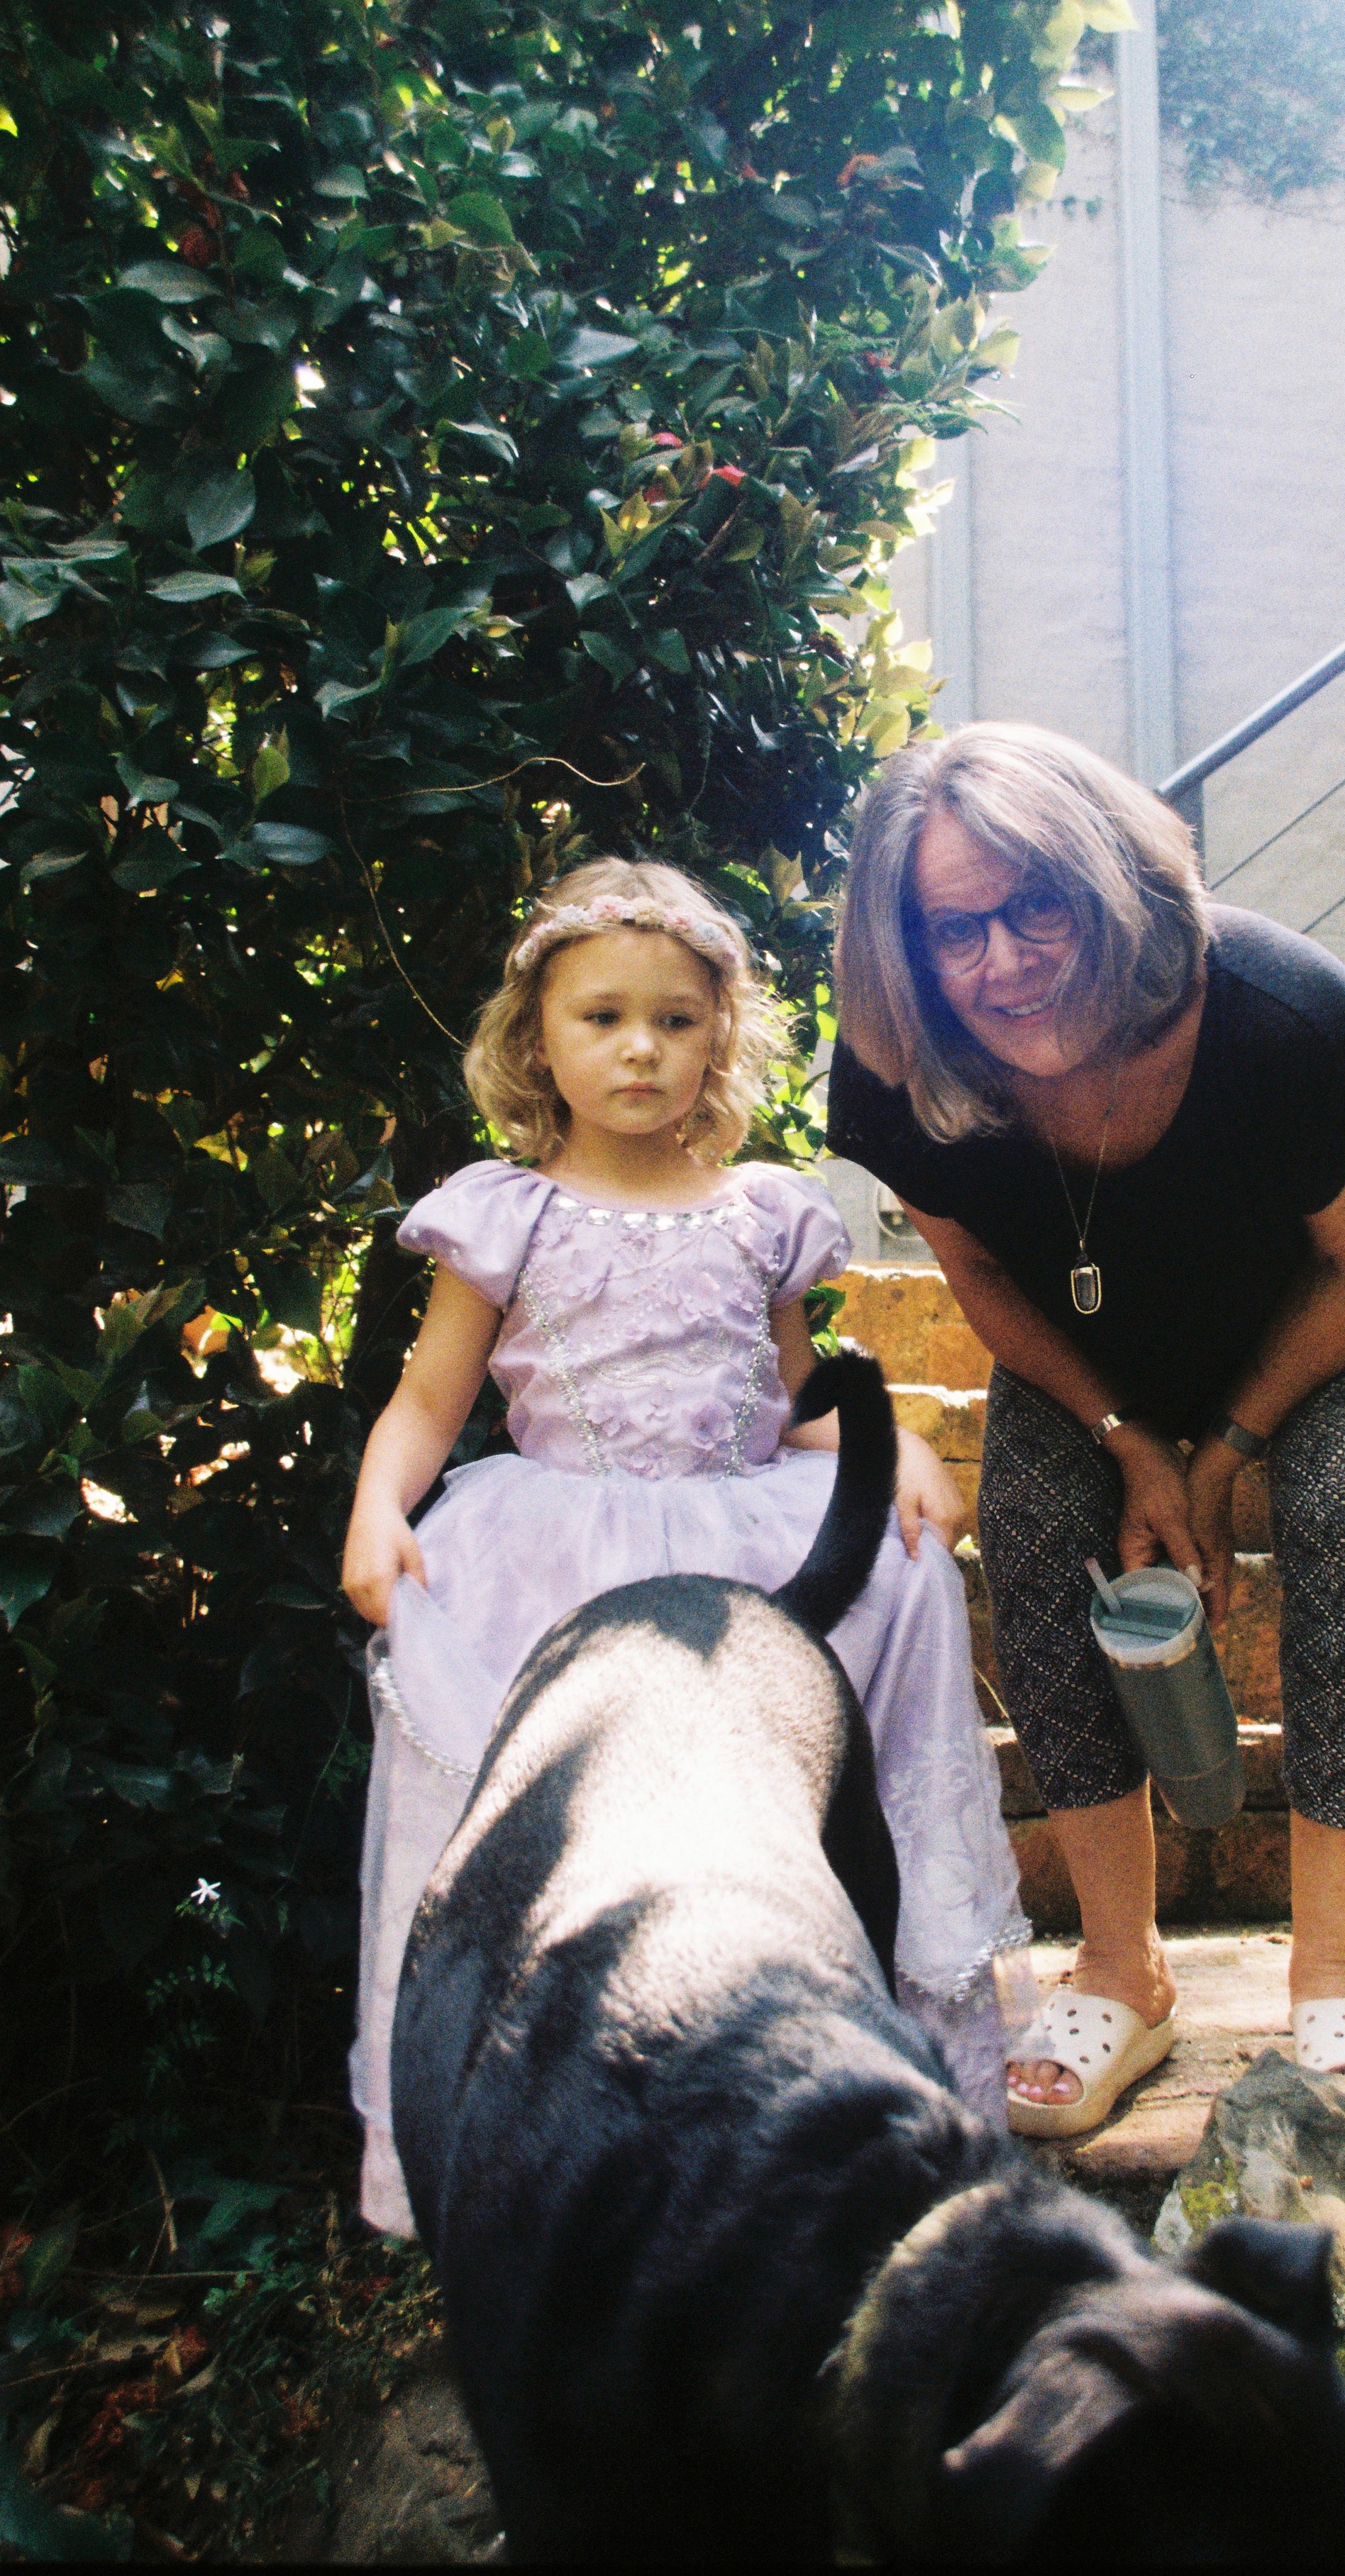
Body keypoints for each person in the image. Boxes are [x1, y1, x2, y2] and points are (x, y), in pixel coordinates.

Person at [342, 857, 1028, 2233]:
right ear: (538, 1037)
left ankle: (872, 2045)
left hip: (742, 1535)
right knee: (543, 1802)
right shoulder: (507, 1213)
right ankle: (523, 2111)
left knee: (895, 1591)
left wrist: (888, 1456)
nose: (640, 1048)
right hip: (557, 1543)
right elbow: (430, 1401)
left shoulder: (756, 1210)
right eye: (601, 1018)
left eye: (673, 1017)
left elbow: (785, 1405)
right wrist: (378, 1508)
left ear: (720, 1033)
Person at [826, 723, 1345, 2142]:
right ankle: (1120, 1968)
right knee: (1036, 1521)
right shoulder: (894, 1058)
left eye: (1033, 903)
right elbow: (978, 1272)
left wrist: (1220, 1453)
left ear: (1103, 880)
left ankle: (1336, 1968)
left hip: (1316, 1295)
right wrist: (1123, 1434)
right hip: (1091, 1328)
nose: (1000, 957)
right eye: (953, 927)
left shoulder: (1284, 1016)